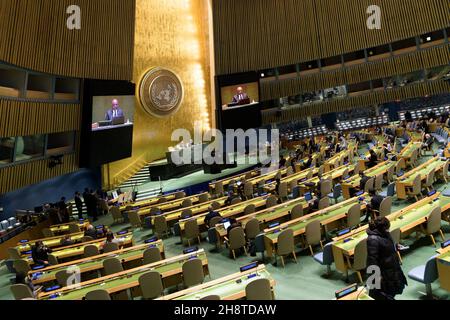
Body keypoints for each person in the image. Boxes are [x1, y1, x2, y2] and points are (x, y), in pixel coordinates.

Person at [366, 217, 407, 300]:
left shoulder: (384, 233)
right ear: (383, 228)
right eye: (387, 228)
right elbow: (372, 260)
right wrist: (376, 279)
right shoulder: (372, 239)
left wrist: (395, 247)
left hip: (392, 268)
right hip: (383, 274)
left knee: (392, 291)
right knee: (383, 294)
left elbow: (385, 246)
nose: (389, 230)